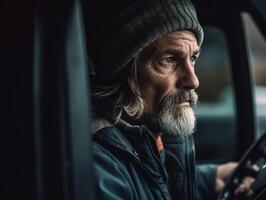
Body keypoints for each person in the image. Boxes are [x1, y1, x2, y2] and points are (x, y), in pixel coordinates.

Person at [83, 0, 254, 199]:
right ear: (123, 72)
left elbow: (156, 185)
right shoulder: (100, 167)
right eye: (169, 60)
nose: (193, 80)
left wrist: (211, 179)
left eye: (193, 59)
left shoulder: (148, 141)